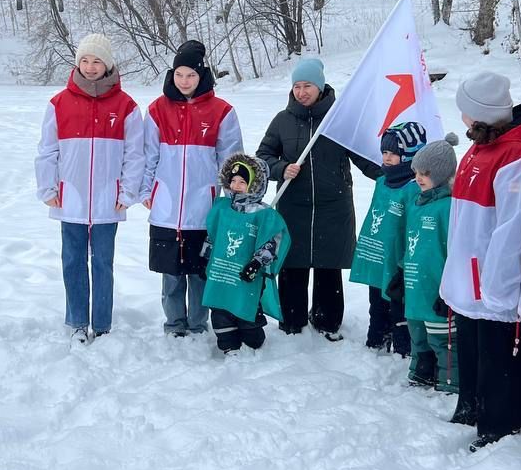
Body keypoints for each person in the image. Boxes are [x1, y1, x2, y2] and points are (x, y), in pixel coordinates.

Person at [440, 71, 521, 452]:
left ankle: (503, 424)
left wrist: (500, 281)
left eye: (466, 113)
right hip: (470, 273)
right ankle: (472, 407)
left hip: (494, 275)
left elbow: (514, 226)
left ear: (481, 114)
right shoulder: (482, 146)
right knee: (474, 347)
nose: (462, 120)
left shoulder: (518, 154)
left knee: (500, 350)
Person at [257, 58, 381, 339]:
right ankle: (292, 321)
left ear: (320, 86)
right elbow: (263, 156)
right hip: (293, 206)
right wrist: (280, 168)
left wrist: (392, 176)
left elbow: (364, 157)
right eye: (297, 86)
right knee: (293, 264)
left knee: (328, 266)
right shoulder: (283, 120)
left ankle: (327, 322)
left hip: (332, 206)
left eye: (308, 85)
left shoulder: (339, 120)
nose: (302, 92)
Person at [35, 33, 144, 343]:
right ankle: (78, 322)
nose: (90, 66)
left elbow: (135, 154)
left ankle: (103, 324)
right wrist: (47, 187)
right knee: (72, 261)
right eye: (85, 60)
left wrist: (128, 192)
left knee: (102, 262)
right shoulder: (59, 103)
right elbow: (47, 150)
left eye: (97, 61)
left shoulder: (126, 106)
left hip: (108, 201)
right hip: (70, 198)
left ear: (107, 64)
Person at [142, 39, 242, 337]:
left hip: (203, 208)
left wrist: (233, 199)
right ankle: (174, 325)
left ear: (202, 76)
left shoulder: (222, 111)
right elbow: (149, 155)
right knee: (171, 274)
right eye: (179, 75)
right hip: (166, 208)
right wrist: (148, 191)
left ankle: (198, 324)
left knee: (200, 272)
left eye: (191, 75)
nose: (184, 81)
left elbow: (231, 159)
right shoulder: (158, 109)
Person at [199, 154, 291, 355]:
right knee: (220, 308)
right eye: (232, 181)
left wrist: (257, 263)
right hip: (222, 273)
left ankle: (252, 339)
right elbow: (212, 235)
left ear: (255, 184)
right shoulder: (222, 208)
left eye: (242, 181)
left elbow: (272, 242)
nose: (236, 185)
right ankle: (228, 344)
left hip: (246, 275)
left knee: (246, 308)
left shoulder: (263, 214)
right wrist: (204, 258)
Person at [351, 122, 425, 357]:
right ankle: (378, 337)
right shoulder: (383, 180)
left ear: (410, 155)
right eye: (384, 152)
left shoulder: (414, 187)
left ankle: (403, 344)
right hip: (377, 251)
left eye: (394, 153)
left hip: (398, 254)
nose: (387, 157)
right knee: (376, 298)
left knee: (397, 300)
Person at [391, 137, 458, 392]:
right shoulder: (417, 204)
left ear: (441, 174)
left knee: (442, 339)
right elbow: (412, 243)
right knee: (418, 335)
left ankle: (450, 383)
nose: (419, 178)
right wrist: (400, 269)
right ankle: (422, 373)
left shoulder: (448, 207)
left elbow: (453, 250)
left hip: (435, 286)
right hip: (415, 285)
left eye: (426, 174)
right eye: (417, 172)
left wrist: (449, 289)